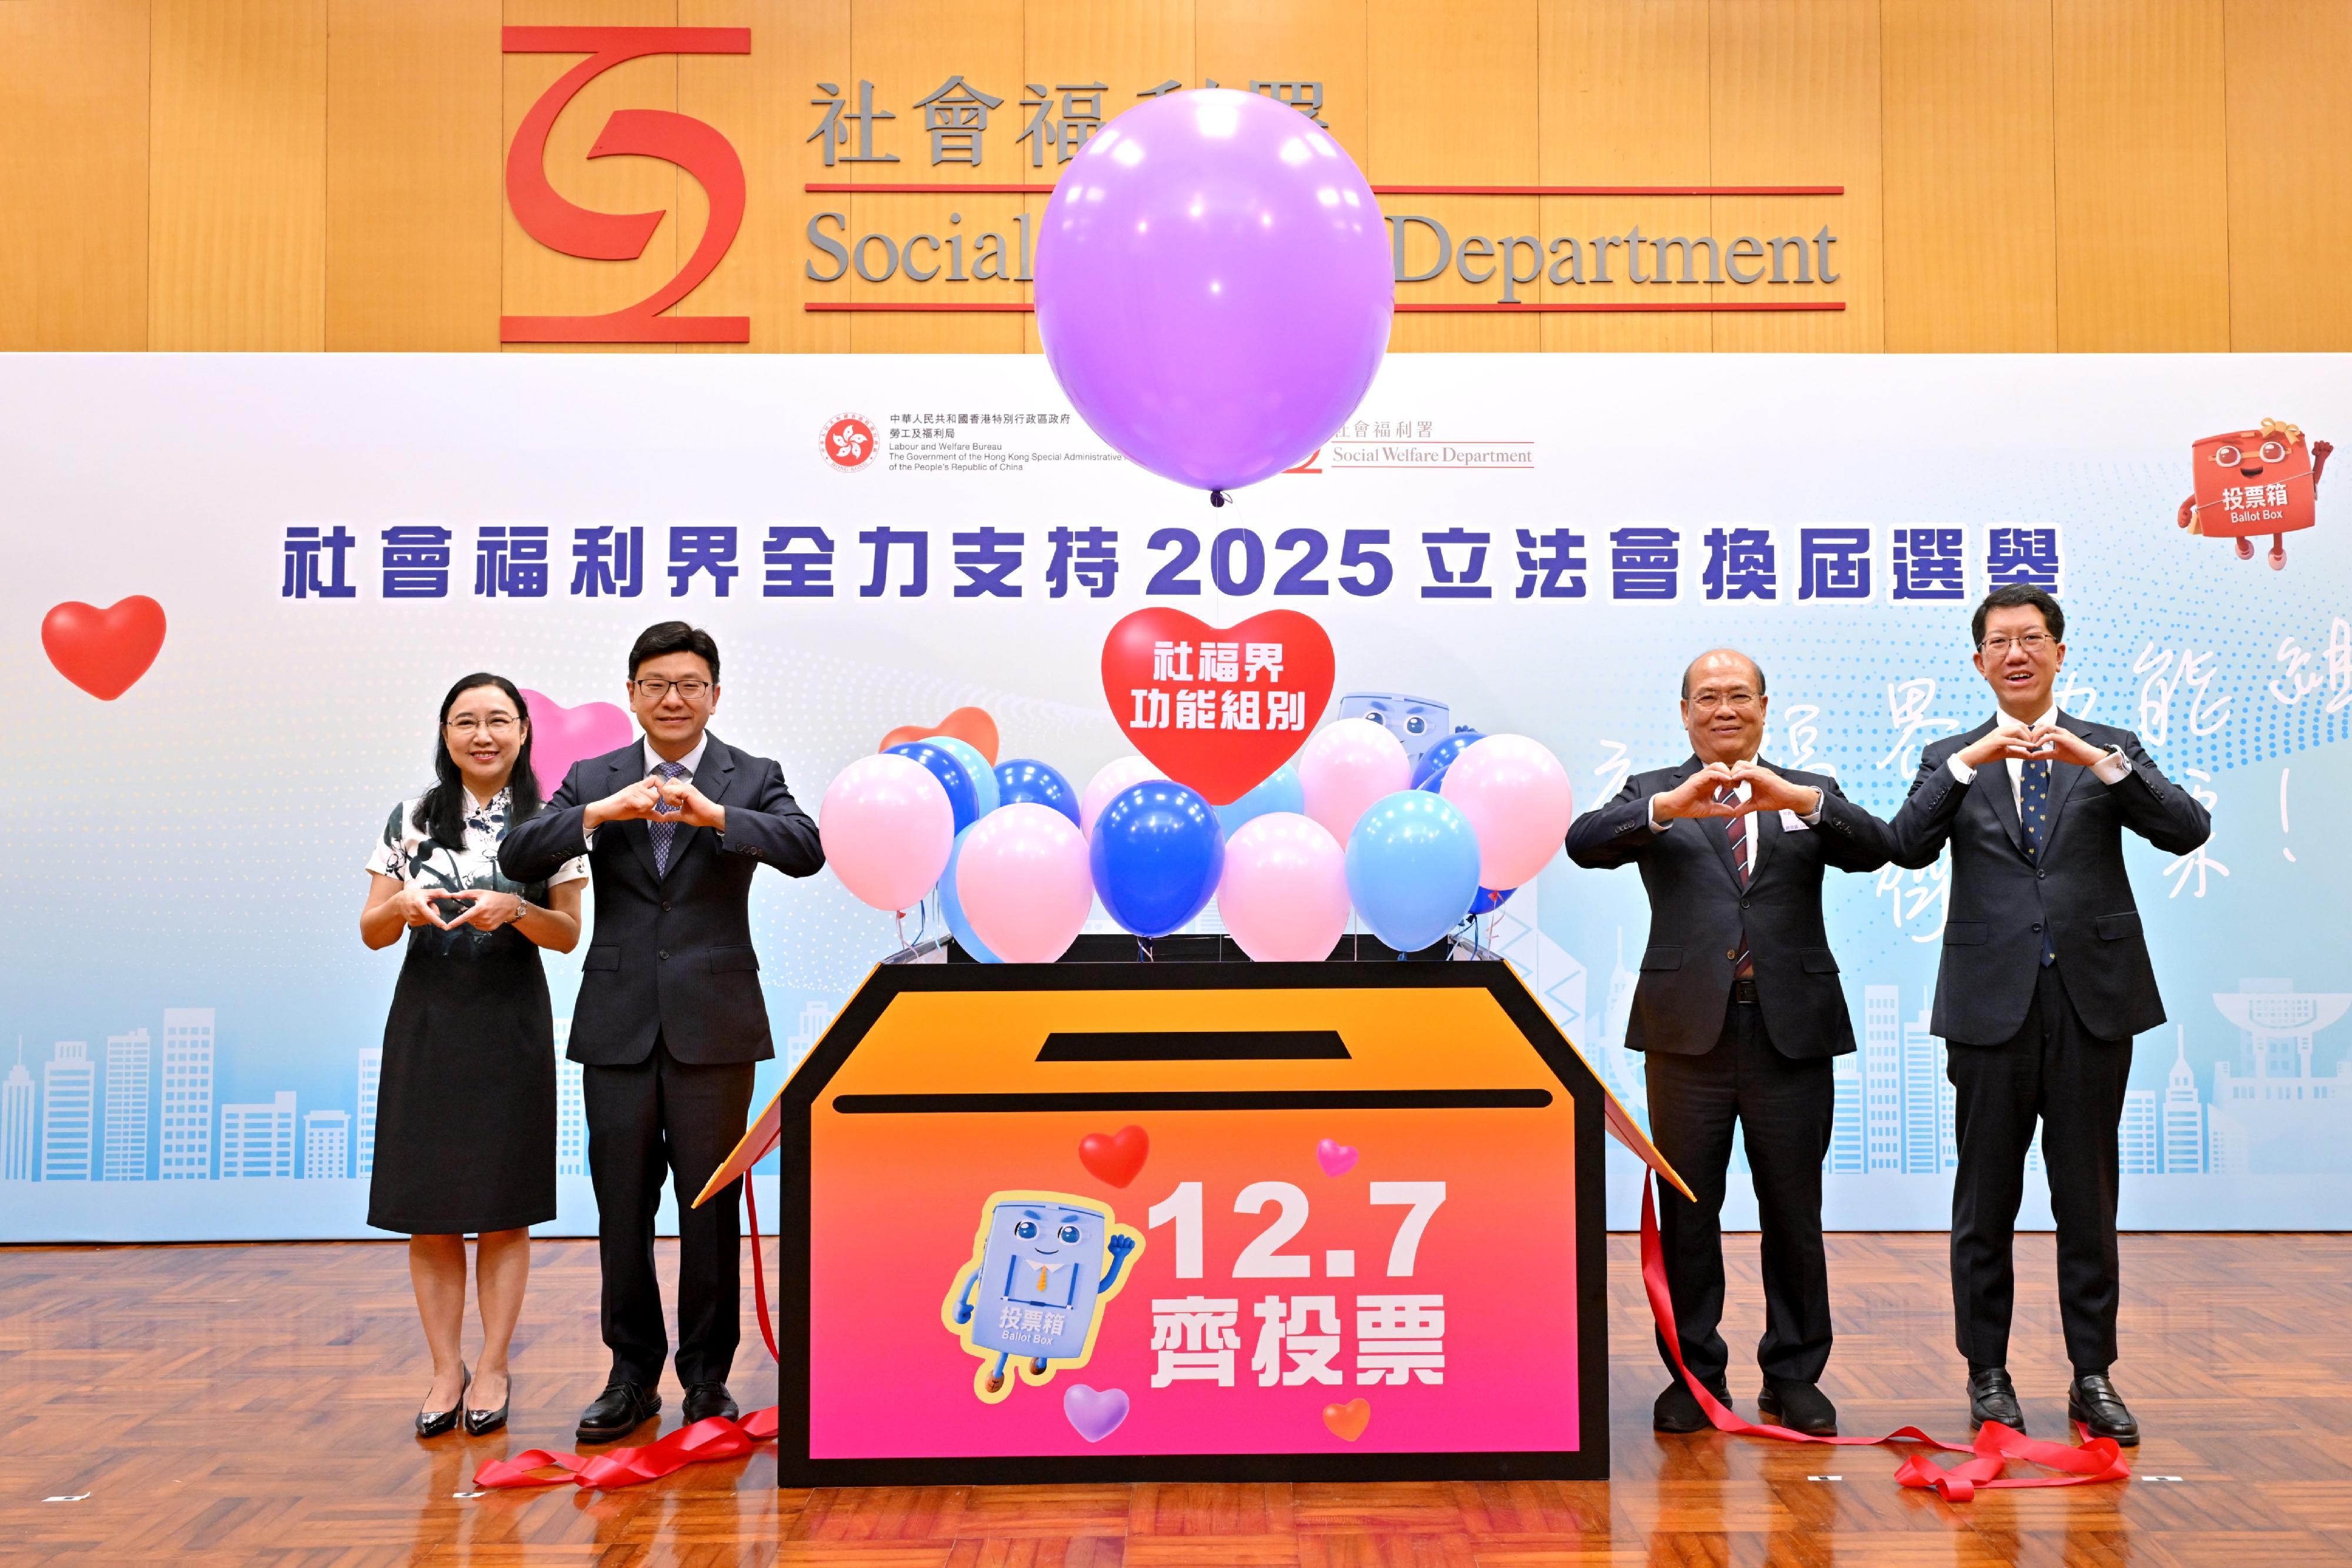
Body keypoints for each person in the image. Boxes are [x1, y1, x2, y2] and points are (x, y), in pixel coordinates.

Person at [1887, 585, 2210, 1446]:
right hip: (1990, 1008)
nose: (2017, 653)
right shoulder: (1949, 754)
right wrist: (1969, 763)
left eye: (2032, 638)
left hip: (2091, 1004)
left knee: (2087, 1197)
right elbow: (1904, 845)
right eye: (2000, 642)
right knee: (1984, 1199)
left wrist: (2093, 759)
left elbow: (2186, 830)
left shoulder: (2110, 748)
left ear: (2061, 652)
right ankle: (1986, 1374)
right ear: (1980, 660)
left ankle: (2092, 1375)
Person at [500, 622, 825, 1445]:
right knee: (622, 1207)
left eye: (688, 684)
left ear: (714, 693)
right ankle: (631, 1376)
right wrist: (600, 813)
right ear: (632, 693)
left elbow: (807, 849)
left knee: (707, 1208)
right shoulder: (594, 777)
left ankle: (708, 1379)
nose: (672, 698)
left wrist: (719, 816)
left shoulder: (750, 776)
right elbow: (518, 850)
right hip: (616, 1027)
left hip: (714, 1029)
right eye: (655, 684)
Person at [1566, 648, 1890, 1436]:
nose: (1723, 709)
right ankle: (1693, 1376)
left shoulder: (1806, 791)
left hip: (1792, 1032)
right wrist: (1671, 808)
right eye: (1706, 698)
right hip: (1688, 1037)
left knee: (1794, 1210)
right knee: (1690, 1212)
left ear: (1764, 706)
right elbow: (1584, 841)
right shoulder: (1654, 794)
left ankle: (1794, 1373)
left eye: (1738, 696)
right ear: (1685, 713)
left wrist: (1806, 801)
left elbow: (1876, 846)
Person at [360, 673, 584, 1439]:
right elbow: (372, 931)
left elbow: (567, 934)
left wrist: (515, 908)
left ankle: (493, 1364)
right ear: (445, 732)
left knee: (501, 1208)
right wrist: (400, 905)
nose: (482, 735)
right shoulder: (413, 816)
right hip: (427, 1022)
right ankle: (443, 1369)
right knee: (430, 1211)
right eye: (466, 721)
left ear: (524, 731)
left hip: (508, 1023)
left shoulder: (551, 822)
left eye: (498, 720)